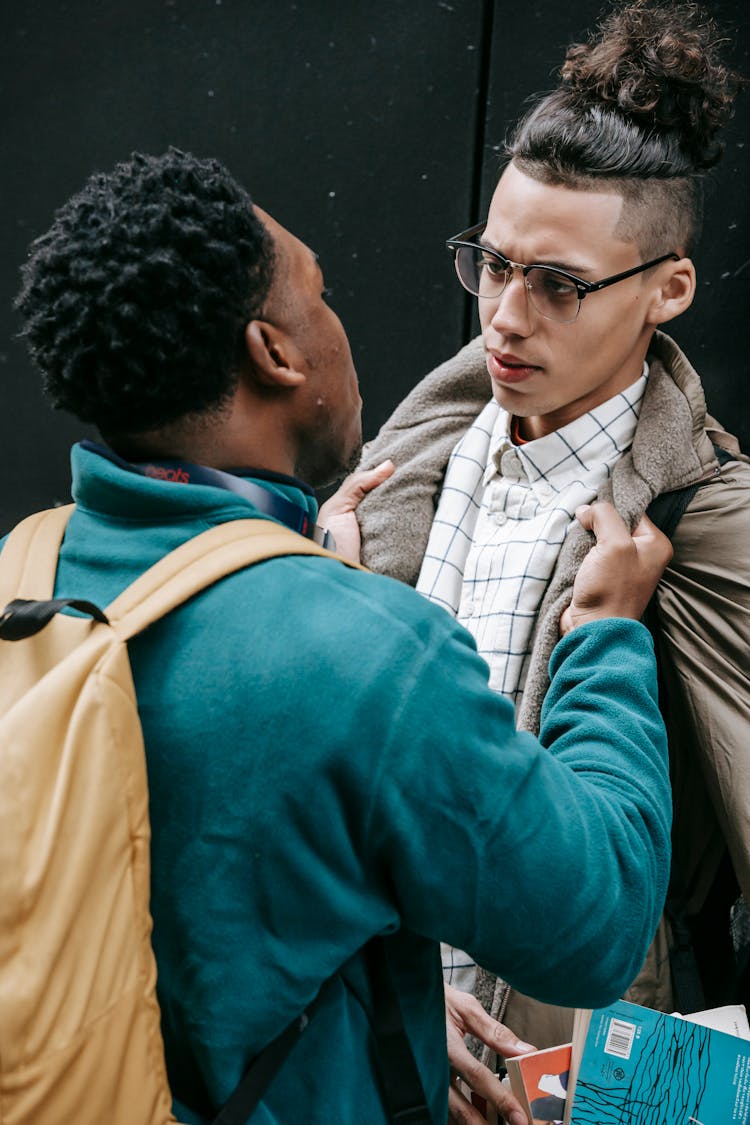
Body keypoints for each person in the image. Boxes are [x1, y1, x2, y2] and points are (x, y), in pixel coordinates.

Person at [11, 148, 673, 1125]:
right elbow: (598, 921)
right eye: (319, 296)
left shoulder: (18, 570)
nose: (336, 324)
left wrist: (382, 1004)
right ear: (274, 355)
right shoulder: (368, 658)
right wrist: (606, 634)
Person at [353, 0, 750, 1060]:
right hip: (388, 1030)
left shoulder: (706, 520)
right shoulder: (409, 465)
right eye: (493, 264)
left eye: (559, 285)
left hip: (571, 1051)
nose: (507, 316)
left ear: (667, 290)